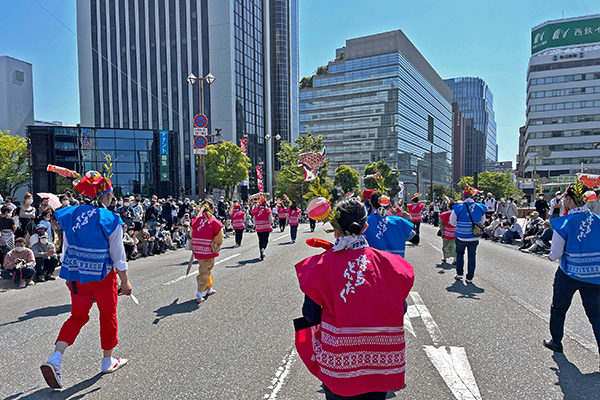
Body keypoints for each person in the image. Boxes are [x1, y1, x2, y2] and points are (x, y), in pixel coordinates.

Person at [294, 198, 414, 399]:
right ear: (365, 226)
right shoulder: (391, 264)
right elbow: (400, 309)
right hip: (381, 360)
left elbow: (311, 315)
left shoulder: (321, 265)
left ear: (335, 228)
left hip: (340, 362)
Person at [40, 170, 132, 389]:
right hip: (102, 275)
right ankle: (107, 360)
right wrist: (125, 281)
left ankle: (56, 358)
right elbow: (118, 254)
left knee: (77, 316)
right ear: (106, 196)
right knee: (107, 315)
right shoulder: (110, 218)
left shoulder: (70, 214)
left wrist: (67, 273)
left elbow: (67, 246)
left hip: (77, 274)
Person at [544, 182, 600, 369]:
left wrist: (551, 256)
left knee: (559, 308)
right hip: (595, 275)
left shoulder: (564, 223)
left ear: (569, 199)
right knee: (596, 316)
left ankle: (556, 341)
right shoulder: (598, 220)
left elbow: (557, 253)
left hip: (570, 273)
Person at [450, 185, 486, 283]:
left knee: (460, 254)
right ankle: (469, 278)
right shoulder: (480, 207)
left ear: (463, 197)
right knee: (472, 256)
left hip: (461, 235)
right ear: (473, 196)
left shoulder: (458, 207)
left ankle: (459, 274)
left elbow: (452, 221)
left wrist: (460, 223)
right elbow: (482, 221)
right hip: (474, 236)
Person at [190, 199, 223, 304]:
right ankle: (200, 292)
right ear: (212, 209)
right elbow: (219, 236)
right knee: (205, 271)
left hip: (198, 249)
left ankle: (209, 288)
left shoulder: (196, 220)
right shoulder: (213, 221)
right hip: (208, 249)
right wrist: (216, 245)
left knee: (206, 269)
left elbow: (191, 234)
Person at [363, 192, 415, 259]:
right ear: (388, 205)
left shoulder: (365, 222)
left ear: (372, 205)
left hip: (375, 265)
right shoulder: (400, 222)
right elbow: (415, 239)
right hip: (396, 265)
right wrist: (409, 220)